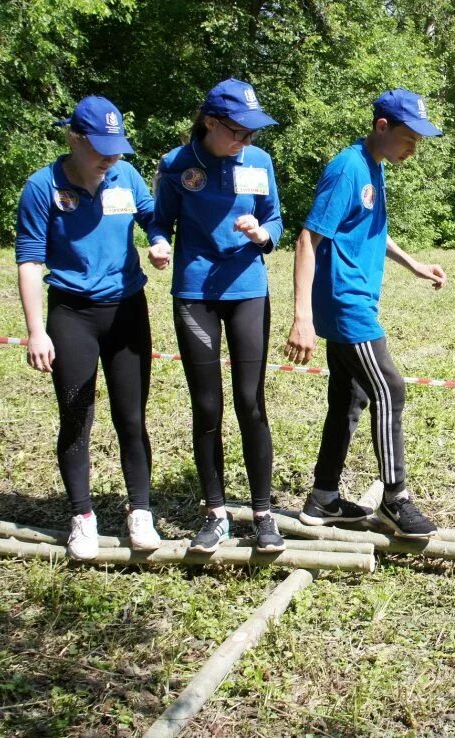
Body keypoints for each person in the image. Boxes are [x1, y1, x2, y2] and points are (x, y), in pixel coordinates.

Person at [284, 88, 447, 538]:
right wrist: (302, 317)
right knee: (390, 389)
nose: (415, 148)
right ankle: (396, 500)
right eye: (410, 138)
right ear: (382, 127)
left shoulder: (374, 166)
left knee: (350, 397)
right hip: (345, 302)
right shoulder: (348, 168)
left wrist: (413, 264)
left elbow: (370, 229)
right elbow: (307, 240)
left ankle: (323, 499)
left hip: (354, 299)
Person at [15, 96, 164, 560]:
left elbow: (152, 216)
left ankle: (139, 510)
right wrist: (37, 330)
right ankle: (82, 516)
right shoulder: (43, 186)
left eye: (117, 147)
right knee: (77, 417)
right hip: (71, 315)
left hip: (126, 312)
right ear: (74, 138)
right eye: (100, 147)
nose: (110, 157)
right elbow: (29, 259)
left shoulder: (125, 176)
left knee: (132, 416)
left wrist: (157, 241)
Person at [149, 78, 285, 553]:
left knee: (251, 401)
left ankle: (264, 514)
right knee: (207, 405)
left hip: (247, 288)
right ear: (210, 122)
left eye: (252, 133)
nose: (246, 141)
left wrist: (261, 234)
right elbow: (159, 220)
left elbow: (276, 220)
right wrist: (160, 243)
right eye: (238, 132)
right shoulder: (177, 164)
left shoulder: (259, 162)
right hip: (194, 293)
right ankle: (215, 513)